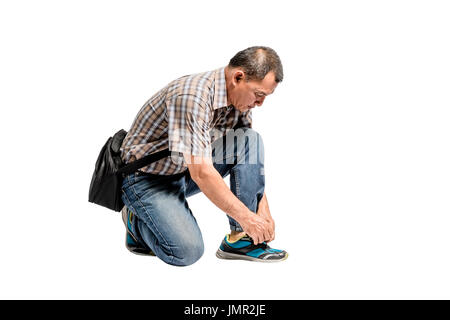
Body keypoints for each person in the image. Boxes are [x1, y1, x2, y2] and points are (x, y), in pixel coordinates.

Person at [120, 46, 288, 266]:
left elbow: (248, 156)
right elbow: (201, 173)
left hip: (181, 169)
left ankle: (240, 240)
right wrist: (248, 219)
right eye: (259, 94)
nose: (260, 104)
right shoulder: (192, 96)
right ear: (238, 77)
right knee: (187, 252)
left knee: (249, 139)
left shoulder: (240, 100)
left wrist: (262, 211)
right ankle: (137, 221)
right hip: (145, 180)